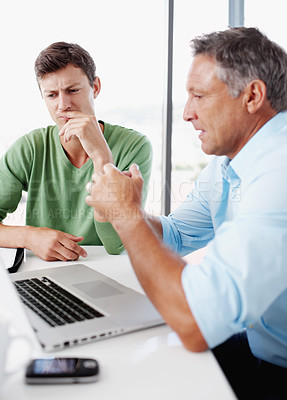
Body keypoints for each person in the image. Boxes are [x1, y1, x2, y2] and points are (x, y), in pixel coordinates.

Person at [86, 27, 287, 399]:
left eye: (199, 96)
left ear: (252, 96)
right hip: (257, 343)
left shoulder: (279, 172)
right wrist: (126, 210)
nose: (187, 114)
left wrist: (127, 217)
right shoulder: (228, 165)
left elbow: (196, 323)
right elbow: (175, 235)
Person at [0, 42, 152, 261]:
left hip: (109, 270)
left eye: (73, 90)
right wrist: (29, 237)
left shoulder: (135, 146)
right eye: (51, 95)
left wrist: (102, 158)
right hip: (44, 273)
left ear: (95, 87)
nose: (63, 105)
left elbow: (116, 244)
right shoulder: (29, 148)